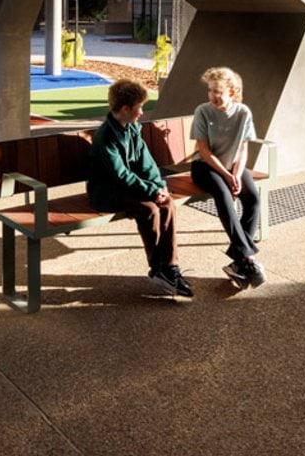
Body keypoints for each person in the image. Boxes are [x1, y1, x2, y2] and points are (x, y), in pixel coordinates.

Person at [87, 78, 192, 298]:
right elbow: (120, 175)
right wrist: (150, 191)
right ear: (125, 109)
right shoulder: (105, 136)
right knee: (149, 209)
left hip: (129, 188)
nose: (142, 112)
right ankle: (157, 268)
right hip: (107, 192)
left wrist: (159, 186)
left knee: (167, 203)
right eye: (139, 107)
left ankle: (170, 267)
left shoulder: (132, 128)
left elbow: (147, 163)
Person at [191, 66, 264, 288]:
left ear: (231, 92)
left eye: (218, 91)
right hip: (205, 167)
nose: (212, 96)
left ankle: (238, 263)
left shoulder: (243, 113)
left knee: (253, 199)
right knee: (223, 196)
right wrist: (226, 175)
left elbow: (243, 149)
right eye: (210, 90)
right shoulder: (202, 111)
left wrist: (237, 174)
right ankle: (247, 259)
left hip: (233, 167)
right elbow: (204, 150)